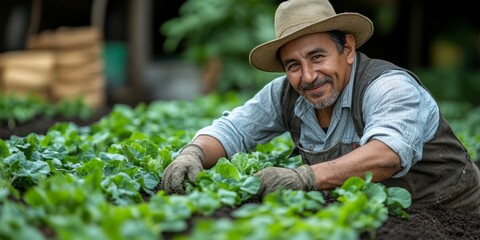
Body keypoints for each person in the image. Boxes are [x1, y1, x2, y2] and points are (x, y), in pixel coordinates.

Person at [161, 0, 480, 214]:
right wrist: (194, 153)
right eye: (293, 65)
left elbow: (387, 154)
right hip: (374, 215)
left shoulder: (387, 86)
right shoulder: (285, 94)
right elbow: (234, 129)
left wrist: (304, 178)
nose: (308, 76)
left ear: (348, 49)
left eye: (317, 57)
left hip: (450, 214)